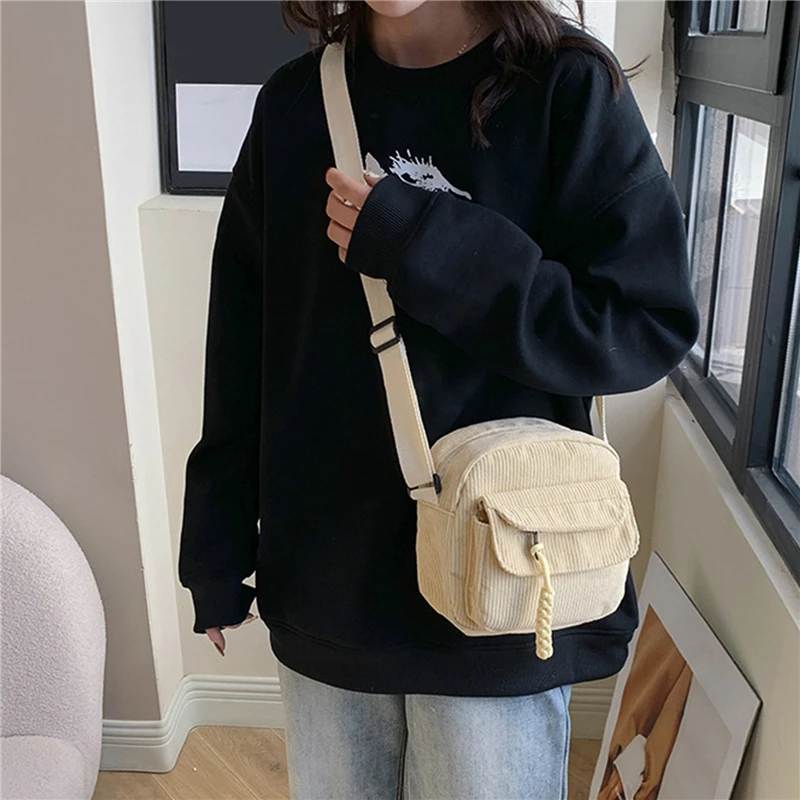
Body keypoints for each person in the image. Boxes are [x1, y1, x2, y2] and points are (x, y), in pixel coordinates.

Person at [177, 1, 700, 798]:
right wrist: (216, 544)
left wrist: (429, 244)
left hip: (501, 593)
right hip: (330, 588)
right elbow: (244, 343)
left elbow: (642, 322)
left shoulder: (566, 87)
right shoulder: (293, 106)